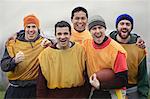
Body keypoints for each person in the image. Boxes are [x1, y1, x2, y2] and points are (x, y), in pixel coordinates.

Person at [37, 21, 90, 98]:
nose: (62, 37)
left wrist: (85, 95)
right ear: (55, 35)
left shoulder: (80, 50)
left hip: (78, 94)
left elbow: (87, 76)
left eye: (65, 33)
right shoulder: (45, 55)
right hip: (54, 95)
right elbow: (41, 83)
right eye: (59, 34)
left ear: (70, 34)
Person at [0, 14, 46, 98]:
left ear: (38, 28)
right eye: (28, 27)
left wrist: (50, 44)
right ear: (24, 28)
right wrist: (14, 61)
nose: (31, 30)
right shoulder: (13, 43)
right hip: (16, 89)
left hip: (35, 89)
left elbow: (59, 42)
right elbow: (3, 66)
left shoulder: (44, 42)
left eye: (34, 26)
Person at [83, 15, 128, 99]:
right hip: (96, 87)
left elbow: (123, 80)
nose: (97, 31)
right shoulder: (86, 44)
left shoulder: (117, 50)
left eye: (100, 27)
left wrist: (100, 85)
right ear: (89, 31)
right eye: (94, 28)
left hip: (115, 90)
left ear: (105, 29)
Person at [109, 14, 149, 99]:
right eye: (122, 24)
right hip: (114, 88)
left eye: (128, 24)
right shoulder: (109, 45)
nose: (124, 26)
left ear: (131, 27)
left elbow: (143, 76)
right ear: (117, 27)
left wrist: (143, 95)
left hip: (133, 89)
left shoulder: (139, 48)